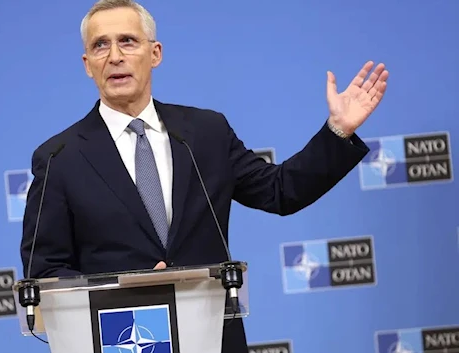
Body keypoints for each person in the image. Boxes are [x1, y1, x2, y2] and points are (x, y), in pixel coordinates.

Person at [20, 0, 389, 352]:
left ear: (155, 53)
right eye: (100, 45)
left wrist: (337, 131)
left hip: (213, 338)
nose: (114, 56)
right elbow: (46, 271)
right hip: (119, 339)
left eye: (127, 41)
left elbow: (281, 191)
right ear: (87, 63)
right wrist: (124, 292)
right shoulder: (59, 157)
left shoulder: (205, 132)